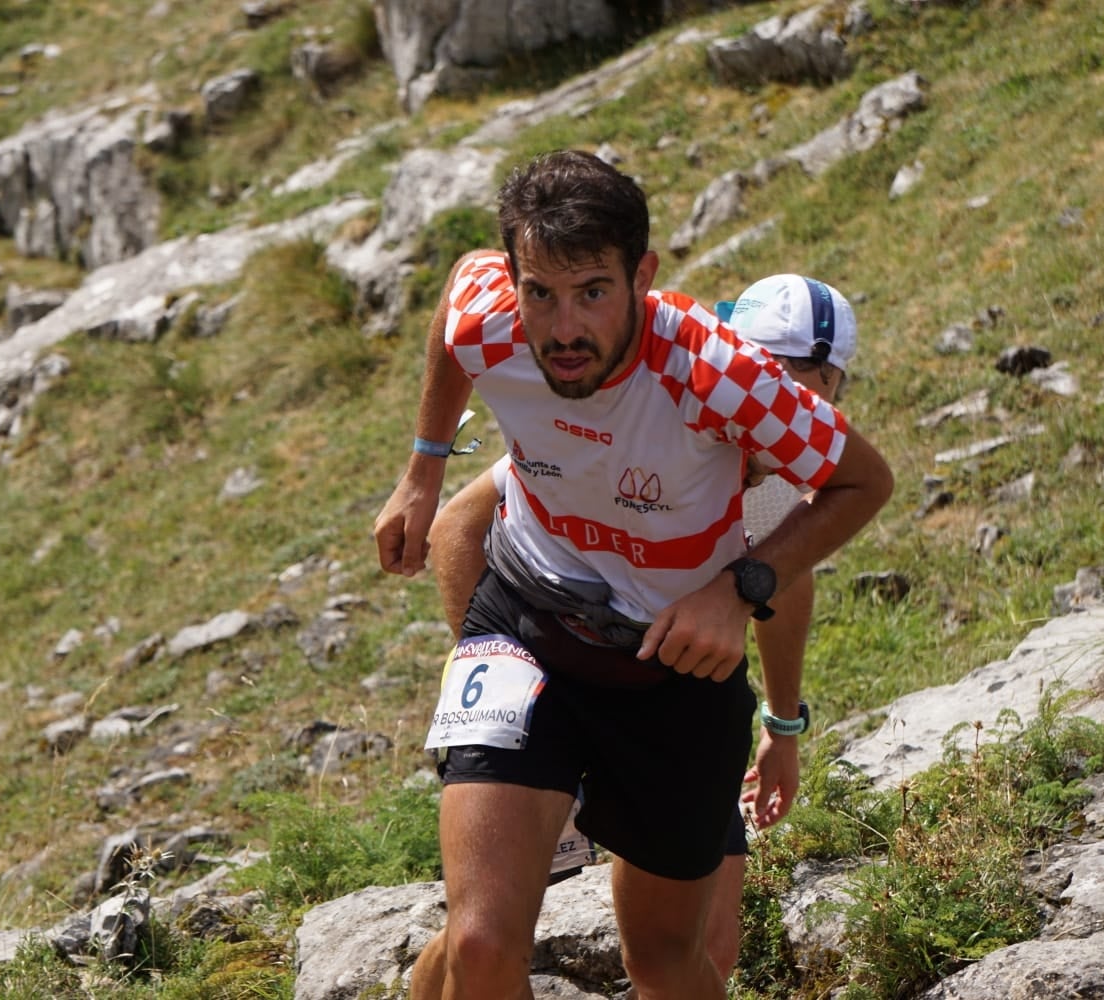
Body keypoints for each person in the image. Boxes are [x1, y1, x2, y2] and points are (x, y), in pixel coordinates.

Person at [372, 149, 892, 1000]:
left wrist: (738, 594)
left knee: (667, 962)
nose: (563, 329)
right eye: (539, 292)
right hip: (526, 630)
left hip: (674, 681)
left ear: (642, 276)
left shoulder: (721, 374)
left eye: (593, 292)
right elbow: (456, 307)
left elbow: (866, 481)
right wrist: (424, 465)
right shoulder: (492, 311)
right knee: (480, 941)